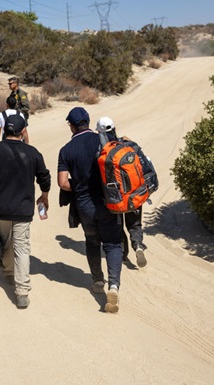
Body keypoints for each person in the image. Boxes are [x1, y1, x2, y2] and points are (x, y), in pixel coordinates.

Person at [0, 114, 51, 309]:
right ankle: (22, 292)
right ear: (22, 132)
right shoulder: (33, 153)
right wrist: (44, 195)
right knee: (21, 247)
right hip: (22, 208)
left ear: (4, 130)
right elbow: (44, 177)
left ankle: (9, 273)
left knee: (4, 243)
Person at [57, 107, 123, 314]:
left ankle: (97, 281)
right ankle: (113, 285)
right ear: (88, 121)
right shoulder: (103, 141)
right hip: (108, 202)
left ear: (72, 125)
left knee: (92, 242)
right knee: (112, 244)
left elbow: (62, 183)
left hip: (84, 205)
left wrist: (79, 185)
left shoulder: (66, 150)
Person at [95, 116, 147, 268]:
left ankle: (123, 254)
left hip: (116, 200)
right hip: (134, 195)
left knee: (118, 226)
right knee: (135, 224)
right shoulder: (127, 144)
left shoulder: (102, 153)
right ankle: (138, 245)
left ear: (100, 133)